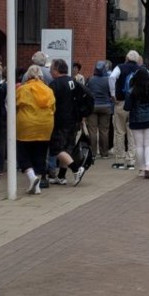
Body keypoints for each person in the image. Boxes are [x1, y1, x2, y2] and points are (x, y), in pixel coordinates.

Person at [48, 59, 90, 187]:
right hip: (74, 120)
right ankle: (61, 176)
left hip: (60, 120)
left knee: (56, 148)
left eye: (51, 69)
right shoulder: (73, 81)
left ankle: (76, 169)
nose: (50, 71)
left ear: (56, 70)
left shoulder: (54, 84)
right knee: (67, 148)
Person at [16, 64, 55, 195]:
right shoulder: (48, 90)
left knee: (23, 153)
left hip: (26, 125)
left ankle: (32, 177)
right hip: (45, 126)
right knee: (40, 154)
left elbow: (14, 105)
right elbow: (53, 108)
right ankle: (37, 186)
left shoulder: (23, 89)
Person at [109, 50, 142, 170]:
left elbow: (112, 77)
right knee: (132, 133)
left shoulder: (120, 67)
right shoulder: (140, 69)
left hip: (120, 103)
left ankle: (119, 160)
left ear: (127, 58)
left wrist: (113, 94)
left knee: (119, 132)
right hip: (134, 104)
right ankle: (131, 161)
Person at [126, 67, 149, 179]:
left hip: (136, 120)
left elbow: (127, 107)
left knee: (139, 145)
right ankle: (148, 166)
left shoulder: (131, 91)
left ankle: (141, 168)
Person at [85, 61, 113, 159]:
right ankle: (104, 153)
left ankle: (93, 153)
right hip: (106, 106)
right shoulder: (108, 80)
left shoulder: (91, 79)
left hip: (93, 107)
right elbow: (111, 93)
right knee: (104, 131)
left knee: (92, 130)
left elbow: (87, 92)